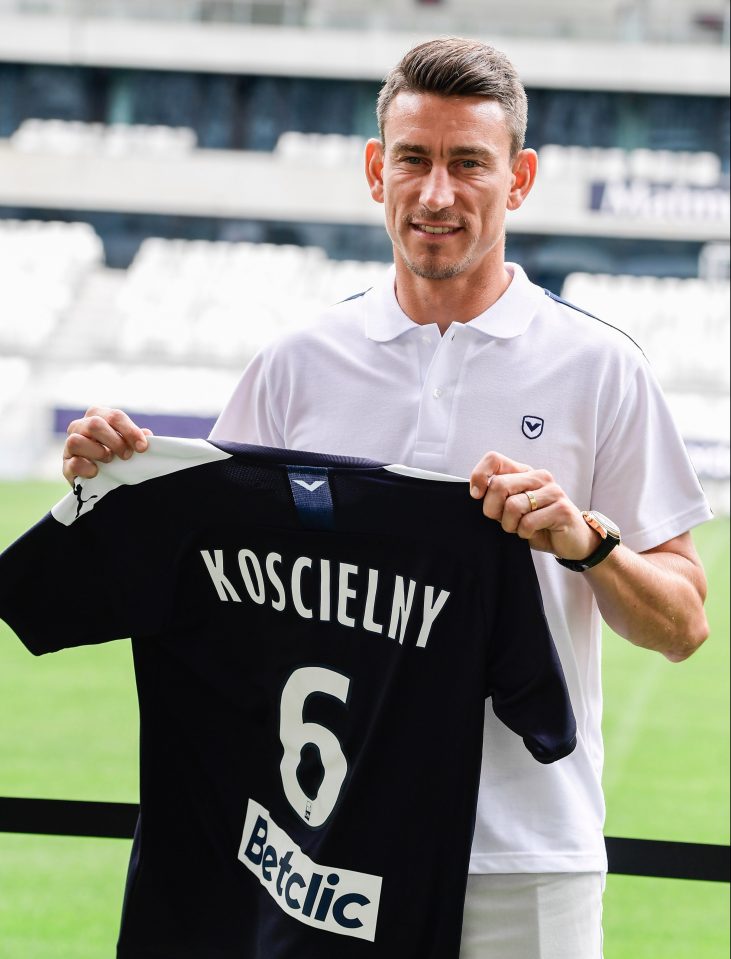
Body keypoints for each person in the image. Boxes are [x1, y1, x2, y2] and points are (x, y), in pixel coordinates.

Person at [61, 37, 711, 959]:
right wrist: (112, 476)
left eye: (468, 163)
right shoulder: (297, 366)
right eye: (413, 158)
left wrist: (586, 543)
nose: (436, 193)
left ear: (518, 179)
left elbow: (682, 625)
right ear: (376, 169)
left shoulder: (598, 368)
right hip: (325, 852)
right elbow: (203, 566)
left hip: (522, 856)